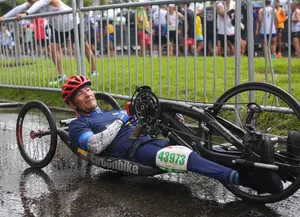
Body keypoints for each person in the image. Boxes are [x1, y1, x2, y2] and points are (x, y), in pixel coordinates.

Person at [62, 75, 283, 194]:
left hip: (151, 139)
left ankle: (282, 166)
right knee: (189, 158)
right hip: (136, 150)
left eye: (88, 89)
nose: (88, 94)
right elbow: (93, 146)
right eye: (80, 94)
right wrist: (122, 119)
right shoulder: (78, 125)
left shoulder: (113, 110)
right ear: (73, 103)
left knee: (204, 148)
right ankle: (251, 182)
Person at [0, 0, 97, 85]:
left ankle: (94, 72)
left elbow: (39, 4)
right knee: (52, 48)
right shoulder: (33, 3)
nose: (31, 4)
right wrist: (4, 17)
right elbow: (20, 7)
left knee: (85, 47)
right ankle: (61, 75)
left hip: (73, 23)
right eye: (30, 3)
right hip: (58, 28)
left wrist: (26, 13)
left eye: (33, 2)